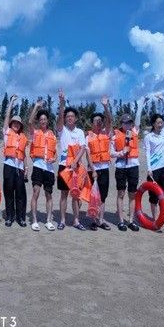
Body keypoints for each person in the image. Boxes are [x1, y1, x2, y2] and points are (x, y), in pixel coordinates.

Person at [111, 97, 146, 231]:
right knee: (121, 193)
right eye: (125, 123)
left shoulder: (134, 132)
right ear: (121, 123)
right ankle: (121, 221)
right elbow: (111, 153)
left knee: (132, 194)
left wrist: (141, 104)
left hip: (133, 166)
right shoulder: (115, 135)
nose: (128, 125)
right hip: (121, 167)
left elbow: (138, 118)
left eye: (129, 122)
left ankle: (131, 220)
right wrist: (120, 153)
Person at [55, 89, 88, 231]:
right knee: (63, 195)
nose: (69, 118)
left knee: (76, 195)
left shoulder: (80, 132)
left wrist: (75, 162)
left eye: (72, 116)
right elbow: (59, 120)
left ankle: (76, 220)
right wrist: (62, 103)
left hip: (76, 167)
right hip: (64, 166)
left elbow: (82, 148)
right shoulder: (61, 130)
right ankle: (62, 220)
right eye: (67, 116)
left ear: (75, 118)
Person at [141, 94, 164, 226]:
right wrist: (149, 168)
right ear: (153, 124)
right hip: (154, 169)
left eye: (161, 122)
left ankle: (163, 218)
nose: (160, 124)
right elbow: (147, 153)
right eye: (158, 123)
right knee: (153, 196)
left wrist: (163, 100)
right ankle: (155, 218)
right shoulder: (148, 137)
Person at [28, 98, 57, 231]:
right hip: (38, 167)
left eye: (45, 119)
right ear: (39, 122)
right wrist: (36, 106)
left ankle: (48, 221)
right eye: (41, 119)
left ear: (47, 121)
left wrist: (54, 159)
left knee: (48, 194)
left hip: (49, 169)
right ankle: (34, 221)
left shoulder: (53, 135)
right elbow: (30, 122)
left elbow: (55, 154)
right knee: (36, 192)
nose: (43, 121)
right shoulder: (35, 133)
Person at [85, 96, 113, 231]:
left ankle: (101, 220)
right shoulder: (88, 137)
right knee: (94, 196)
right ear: (92, 123)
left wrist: (105, 106)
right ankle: (93, 220)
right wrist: (93, 169)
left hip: (105, 168)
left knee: (103, 196)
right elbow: (88, 155)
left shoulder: (106, 133)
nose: (98, 122)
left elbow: (110, 120)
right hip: (93, 169)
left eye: (100, 120)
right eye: (96, 121)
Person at [2, 95, 29, 227]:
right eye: (14, 123)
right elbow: (7, 117)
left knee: (20, 193)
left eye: (18, 123)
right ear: (11, 124)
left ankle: (21, 218)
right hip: (9, 166)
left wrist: (26, 168)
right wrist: (11, 102)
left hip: (20, 168)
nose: (16, 124)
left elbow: (24, 155)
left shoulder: (23, 137)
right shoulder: (6, 132)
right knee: (8, 192)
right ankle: (9, 217)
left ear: (20, 125)